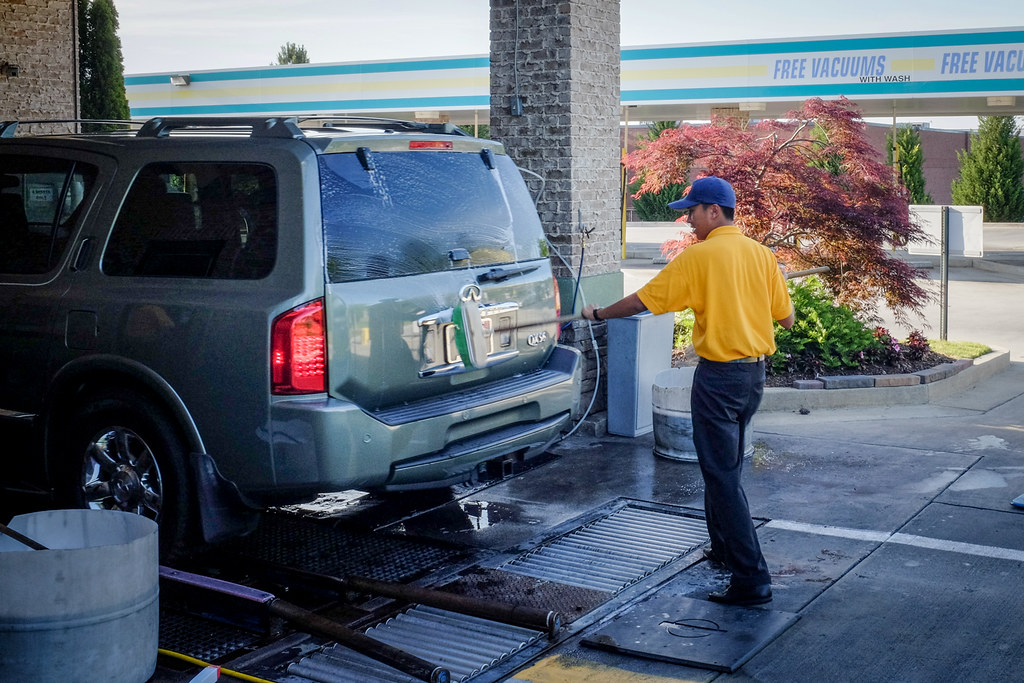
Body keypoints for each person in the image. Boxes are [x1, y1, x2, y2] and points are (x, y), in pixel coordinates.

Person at [582, 175, 794, 607]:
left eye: (692, 212)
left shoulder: (699, 258)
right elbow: (786, 319)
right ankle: (723, 551)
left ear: (714, 211)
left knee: (721, 478)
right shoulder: (761, 255)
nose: (689, 221)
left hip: (718, 379)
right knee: (725, 472)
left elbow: (643, 301)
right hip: (753, 377)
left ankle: (752, 580)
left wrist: (599, 312)